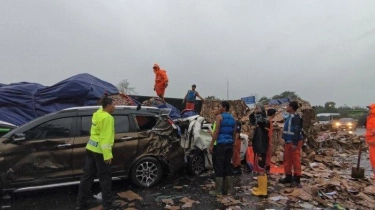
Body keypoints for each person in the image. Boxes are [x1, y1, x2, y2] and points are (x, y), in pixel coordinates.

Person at [76, 97, 121, 210]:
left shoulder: (97, 113)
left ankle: (81, 204)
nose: (115, 106)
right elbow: (105, 138)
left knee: (87, 177)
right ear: (108, 106)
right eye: (114, 104)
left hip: (91, 148)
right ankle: (107, 205)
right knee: (105, 178)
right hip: (101, 151)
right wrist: (107, 155)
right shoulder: (107, 118)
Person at [209, 101, 236, 196]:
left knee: (219, 166)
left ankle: (218, 190)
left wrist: (211, 144)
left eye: (219, 106)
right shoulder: (233, 119)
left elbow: (216, 132)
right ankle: (229, 190)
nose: (218, 108)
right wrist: (233, 143)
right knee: (227, 166)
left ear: (224, 108)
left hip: (221, 144)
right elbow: (234, 133)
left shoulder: (219, 117)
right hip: (229, 144)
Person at [279, 101, 304, 187]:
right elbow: (286, 129)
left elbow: (297, 130)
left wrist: (295, 142)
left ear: (291, 107)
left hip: (294, 141)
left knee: (295, 160)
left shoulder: (296, 118)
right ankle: (288, 176)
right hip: (288, 141)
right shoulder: (289, 117)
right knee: (287, 159)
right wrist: (283, 138)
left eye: (287, 106)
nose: (286, 107)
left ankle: (297, 178)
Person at [249, 103, 270, 197]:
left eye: (257, 108)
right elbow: (252, 121)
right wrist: (252, 113)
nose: (255, 109)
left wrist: (260, 152)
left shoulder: (263, 121)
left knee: (261, 167)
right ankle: (260, 187)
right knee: (259, 168)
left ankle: (263, 190)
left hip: (261, 148)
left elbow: (259, 120)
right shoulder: (260, 122)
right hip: (259, 147)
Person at [265, 108, 277, 175]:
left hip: (267, 141)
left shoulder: (267, 121)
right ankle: (267, 170)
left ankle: (265, 169)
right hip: (267, 141)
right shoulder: (268, 122)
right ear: (273, 114)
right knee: (267, 156)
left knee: (266, 156)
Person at [366, 104, 375, 180]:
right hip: (372, 142)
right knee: (373, 159)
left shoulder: (373, 118)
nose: (368, 110)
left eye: (369, 108)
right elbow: (369, 130)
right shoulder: (370, 118)